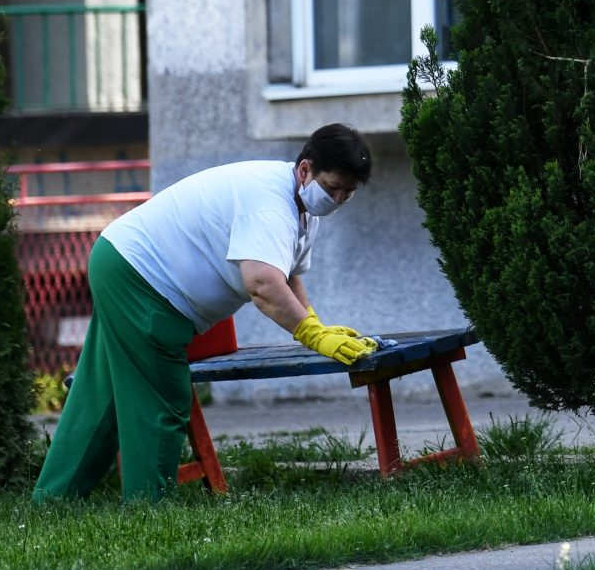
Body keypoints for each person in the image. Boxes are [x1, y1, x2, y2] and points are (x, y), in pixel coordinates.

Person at [34, 125, 382, 501]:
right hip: (141, 279)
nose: (338, 199)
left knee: (101, 392)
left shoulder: (301, 208)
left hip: (123, 263)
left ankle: (53, 499)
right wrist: (312, 334)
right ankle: (146, 512)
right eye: (332, 188)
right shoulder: (269, 203)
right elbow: (263, 284)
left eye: (347, 193)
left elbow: (286, 273)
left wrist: (315, 324)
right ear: (305, 170)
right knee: (160, 399)